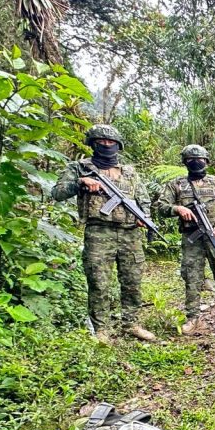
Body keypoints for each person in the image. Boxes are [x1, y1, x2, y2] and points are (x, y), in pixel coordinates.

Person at [52, 124, 156, 343]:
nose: (107, 145)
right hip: (99, 232)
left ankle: (131, 323)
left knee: (132, 281)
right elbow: (58, 192)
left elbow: (143, 199)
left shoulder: (129, 172)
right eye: (102, 142)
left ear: (118, 145)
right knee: (99, 282)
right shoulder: (79, 168)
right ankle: (101, 329)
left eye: (111, 143)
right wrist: (80, 183)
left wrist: (143, 216)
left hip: (130, 234)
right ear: (93, 144)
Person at [155, 145, 215, 335]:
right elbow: (160, 206)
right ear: (185, 162)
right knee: (192, 277)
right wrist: (178, 209)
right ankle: (192, 318)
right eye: (191, 160)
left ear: (207, 161)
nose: (196, 162)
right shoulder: (175, 184)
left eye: (200, 159)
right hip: (191, 238)